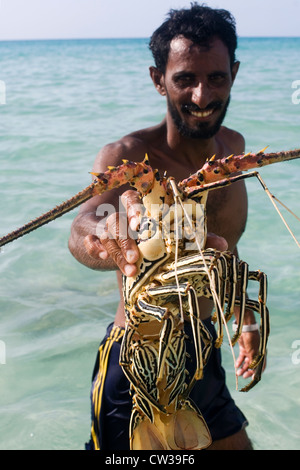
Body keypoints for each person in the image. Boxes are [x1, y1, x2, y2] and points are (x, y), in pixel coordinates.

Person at [69, 3, 261, 450]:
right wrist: (103, 235)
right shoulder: (128, 156)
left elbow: (222, 251)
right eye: (184, 79)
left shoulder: (234, 151)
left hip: (201, 353)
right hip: (137, 358)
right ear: (158, 80)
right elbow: (82, 226)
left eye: (215, 78)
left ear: (233, 73)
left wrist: (243, 317)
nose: (201, 96)